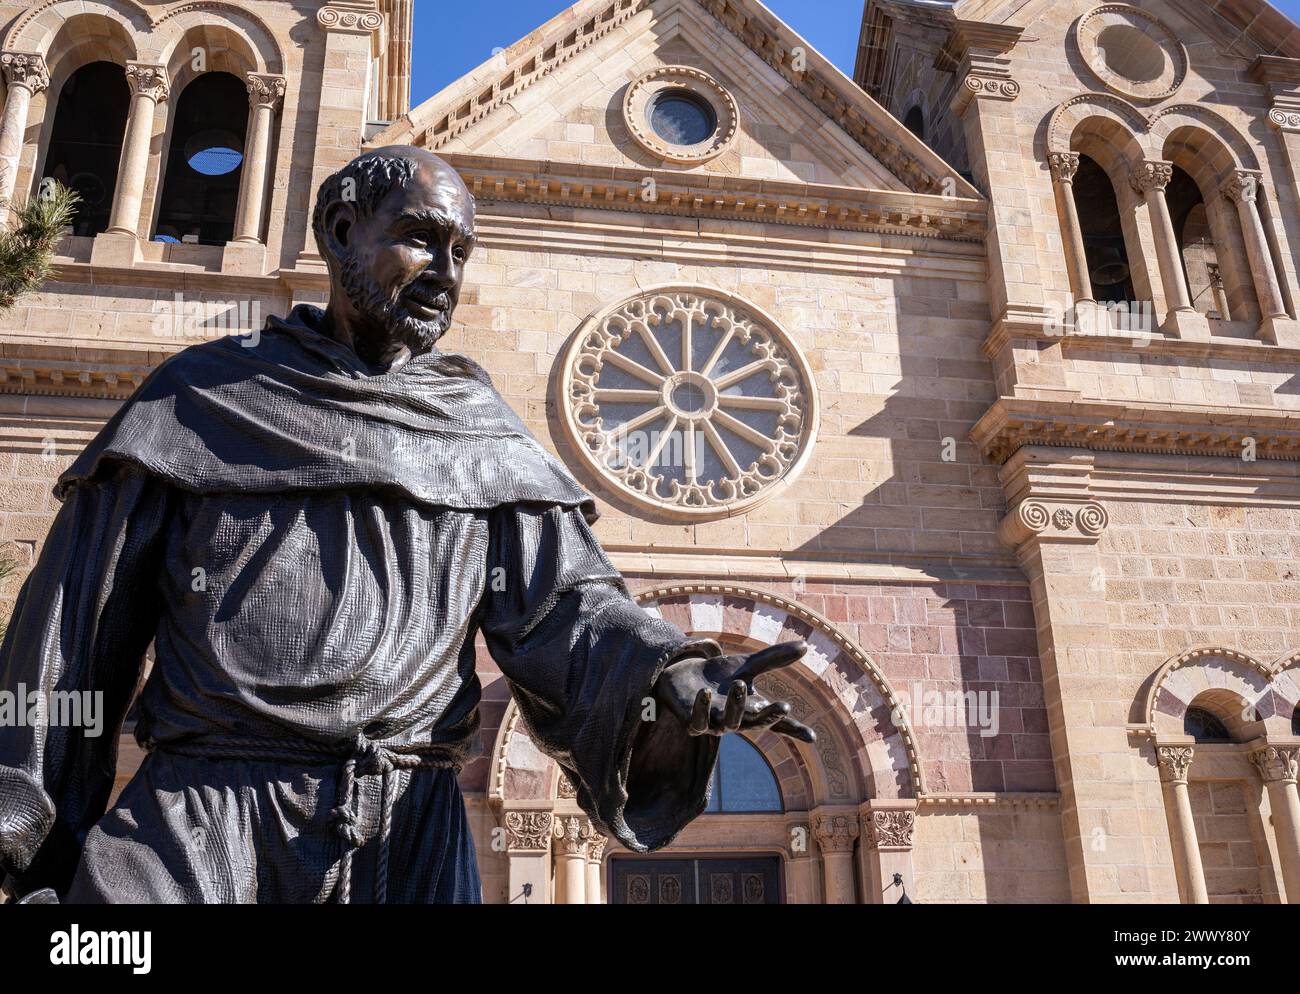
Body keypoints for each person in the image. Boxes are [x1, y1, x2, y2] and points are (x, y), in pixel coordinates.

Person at [0, 146, 812, 903]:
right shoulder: (198, 397)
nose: (444, 274)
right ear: (341, 229)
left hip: (403, 827)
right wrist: (20, 791)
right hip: (199, 815)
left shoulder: (478, 427)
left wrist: (665, 673)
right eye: (421, 240)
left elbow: (568, 610)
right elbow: (75, 622)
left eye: (461, 255)